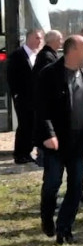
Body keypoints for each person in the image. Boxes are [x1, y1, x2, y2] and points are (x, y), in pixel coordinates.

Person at [34, 35, 83, 244]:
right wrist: (48, 134)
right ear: (71, 50)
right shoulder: (49, 74)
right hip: (56, 142)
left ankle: (64, 228)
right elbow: (41, 109)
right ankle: (47, 217)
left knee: (76, 187)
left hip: (80, 142)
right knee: (52, 184)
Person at [8, 29, 42, 164]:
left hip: (34, 97)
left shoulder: (36, 55)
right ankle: (20, 153)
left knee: (32, 124)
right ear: (29, 38)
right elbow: (11, 75)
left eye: (40, 39)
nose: (39, 41)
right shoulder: (18, 55)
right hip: (22, 96)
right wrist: (16, 93)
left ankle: (27, 151)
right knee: (24, 124)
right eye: (37, 38)